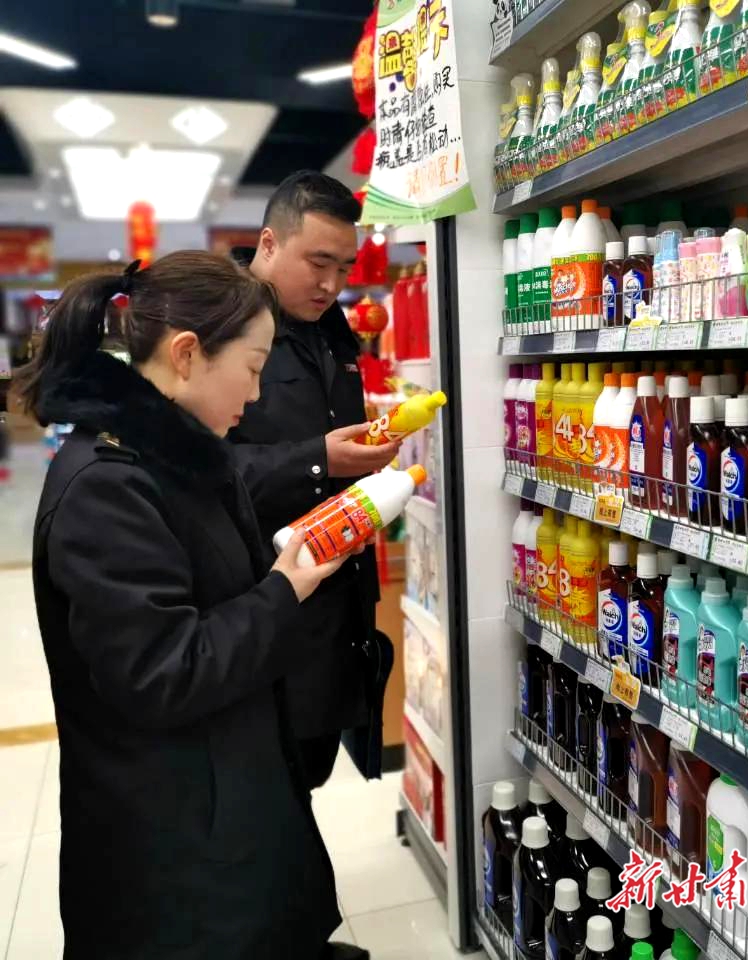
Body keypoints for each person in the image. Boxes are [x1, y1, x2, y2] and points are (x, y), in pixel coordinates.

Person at [16, 251, 357, 958]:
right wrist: (284, 589)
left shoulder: (178, 457)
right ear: (186, 354)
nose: (256, 394)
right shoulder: (108, 484)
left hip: (219, 808)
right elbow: (163, 672)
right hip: (170, 853)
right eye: (253, 367)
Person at [229, 171, 397, 793]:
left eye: (344, 268)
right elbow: (200, 469)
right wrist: (318, 460)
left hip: (336, 603)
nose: (332, 284)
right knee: (265, 789)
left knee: (311, 774)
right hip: (257, 600)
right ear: (269, 243)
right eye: (318, 263)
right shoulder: (222, 327)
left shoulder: (331, 329)